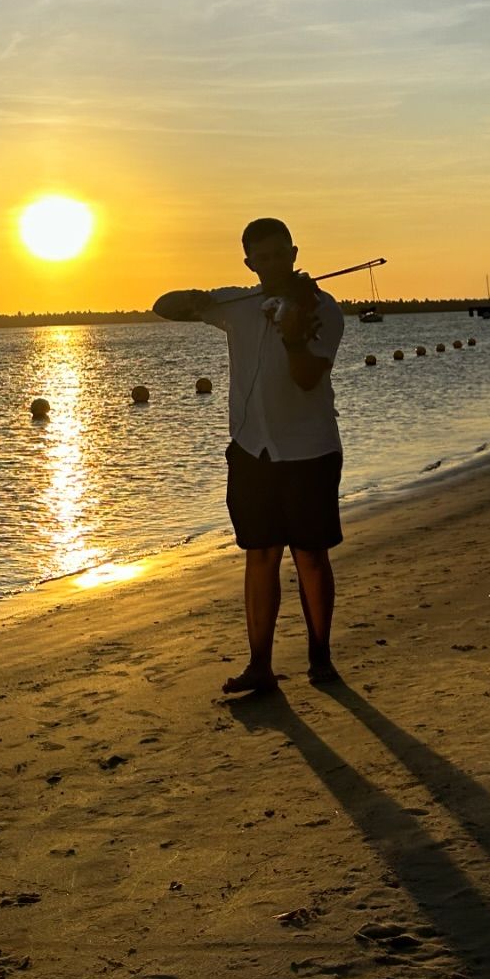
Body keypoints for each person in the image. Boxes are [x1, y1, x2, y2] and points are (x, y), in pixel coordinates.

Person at [153, 217, 345, 693]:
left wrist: (293, 332)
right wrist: (197, 299)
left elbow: (306, 378)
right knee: (259, 555)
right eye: (263, 258)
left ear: (295, 254)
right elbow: (164, 306)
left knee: (310, 556)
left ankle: (320, 658)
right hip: (250, 450)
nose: (274, 263)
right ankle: (260, 664)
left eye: (281, 254)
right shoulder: (237, 305)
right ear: (250, 263)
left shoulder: (322, 308)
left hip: (310, 449)